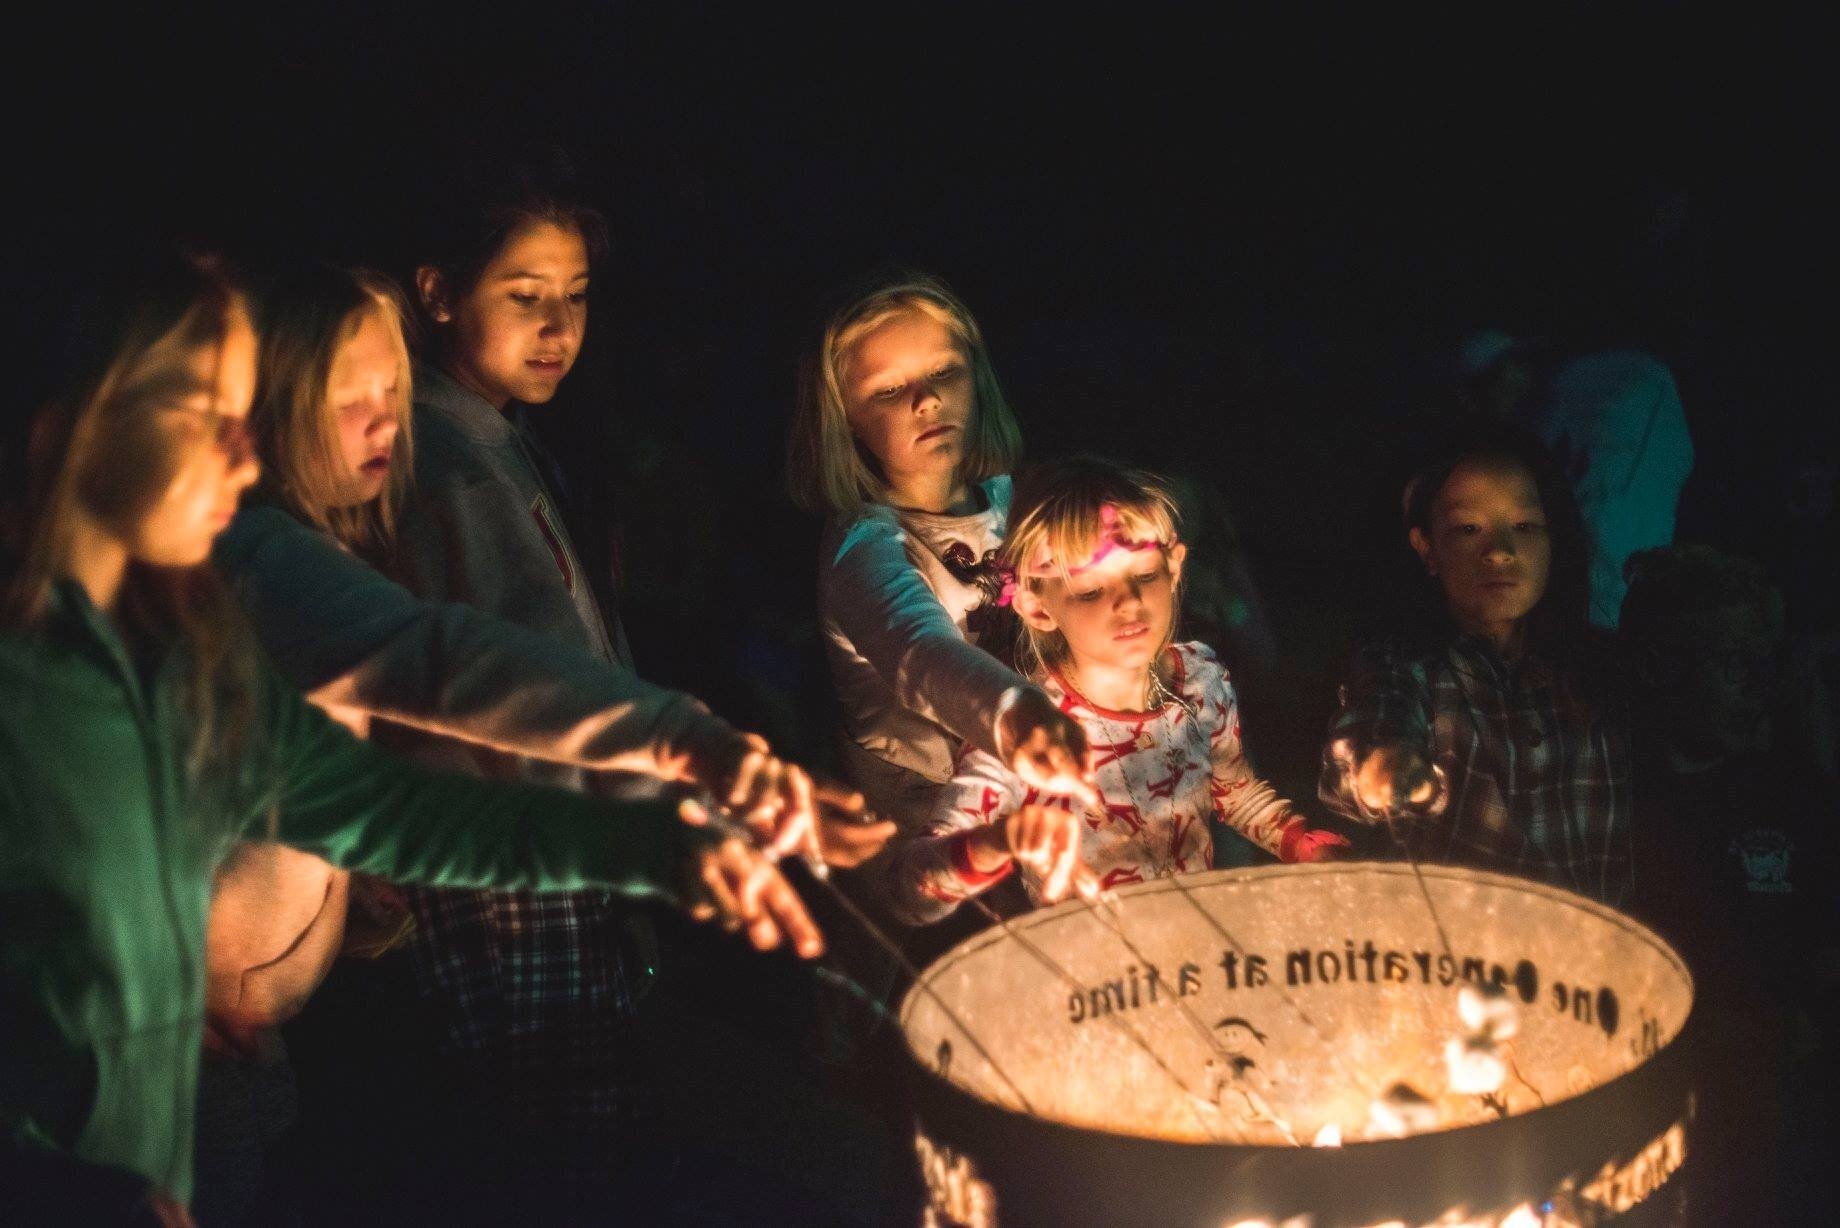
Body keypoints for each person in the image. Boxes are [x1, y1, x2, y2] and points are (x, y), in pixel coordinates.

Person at [0, 249, 818, 1226]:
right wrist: (60, 1183)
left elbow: (396, 811)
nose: (246, 458)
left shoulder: (193, 663)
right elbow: (422, 654)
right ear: (64, 435)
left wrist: (656, 851)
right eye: (200, 421)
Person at [202, 263, 884, 1221]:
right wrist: (685, 743)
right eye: (343, 395)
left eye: (390, 389)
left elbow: (373, 805)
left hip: (237, 1055)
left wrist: (657, 848)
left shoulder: (317, 554)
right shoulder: (257, 554)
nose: (381, 420)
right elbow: (437, 658)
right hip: (159, 1057)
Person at [889, 458, 1346, 923]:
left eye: (1144, 575)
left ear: (1173, 567)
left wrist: (1300, 841)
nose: (1128, 601)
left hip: (1196, 946)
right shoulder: (1025, 734)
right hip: (1093, 981)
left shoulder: (1201, 679)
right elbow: (913, 890)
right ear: (1035, 606)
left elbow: (1232, 791)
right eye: (1090, 592)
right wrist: (994, 844)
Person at [789, 272, 1098, 833]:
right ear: (846, 421)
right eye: (887, 391)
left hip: (1031, 790)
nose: (927, 400)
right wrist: (1016, 713)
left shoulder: (1014, 501)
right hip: (924, 818)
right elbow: (919, 652)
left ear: (975, 378)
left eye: (944, 372)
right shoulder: (864, 549)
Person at [1319, 425, 1632, 905]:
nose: (1500, 551)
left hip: (1598, 966)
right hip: (1463, 966)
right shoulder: (1410, 665)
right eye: (1469, 529)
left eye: (1525, 527)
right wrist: (1386, 767)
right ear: (1427, 548)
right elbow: (1378, 716)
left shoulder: (1602, 671)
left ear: (1555, 538)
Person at [1619, 543, 1838, 1216]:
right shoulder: (1618, 799)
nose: (1756, 685)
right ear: (1660, 668)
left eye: (1762, 662)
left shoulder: (1792, 794)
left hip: (1785, 1099)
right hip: (1665, 1092)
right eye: (1732, 663)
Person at [1457, 332, 1693, 630]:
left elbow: (1613, 519)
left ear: (1513, 364)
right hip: (1582, 621)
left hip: (1602, 621)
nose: (1477, 405)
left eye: (1482, 385)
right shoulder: (1535, 431)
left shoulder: (1624, 386)